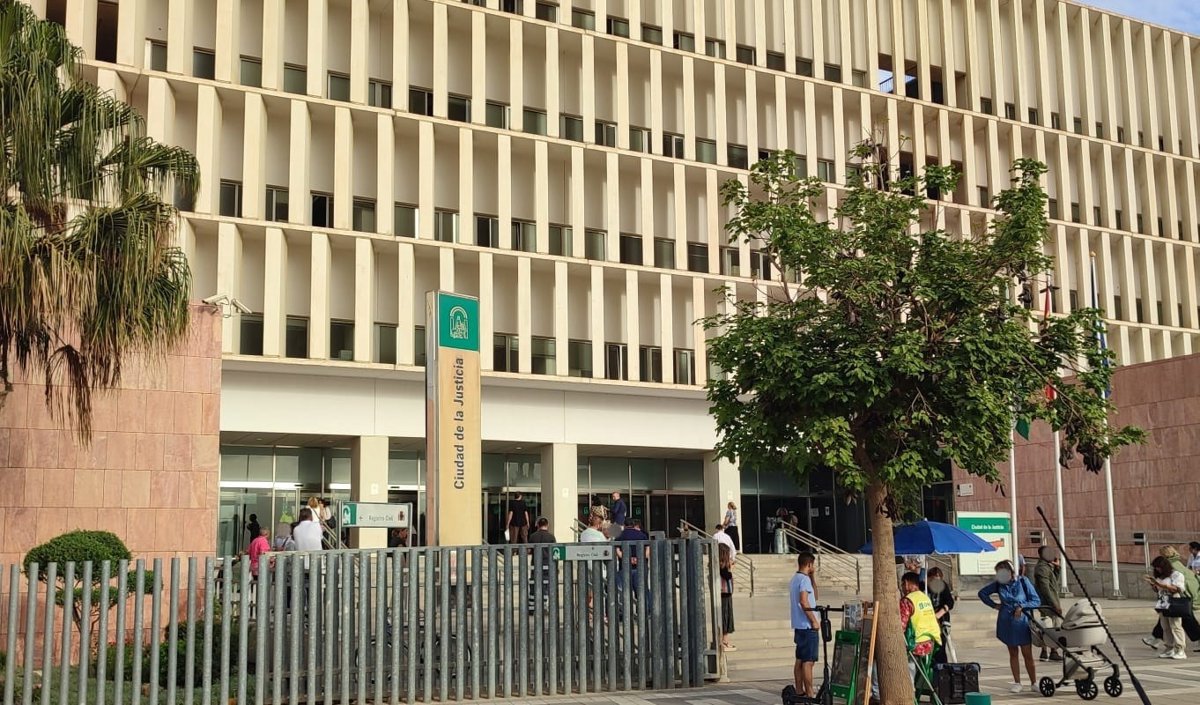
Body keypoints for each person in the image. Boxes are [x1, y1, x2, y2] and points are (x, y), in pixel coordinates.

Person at [978, 559, 1040, 693]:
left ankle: (1034, 682)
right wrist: (994, 605)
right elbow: (982, 593)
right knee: (1013, 652)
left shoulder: (1023, 582)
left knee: (1027, 653)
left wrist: (1022, 606)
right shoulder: (998, 585)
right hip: (1006, 621)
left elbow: (1036, 600)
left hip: (1022, 622)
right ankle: (1017, 682)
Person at [1144, 545, 1200, 651]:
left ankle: (1175, 646)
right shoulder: (1177, 562)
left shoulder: (1171, 566)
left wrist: (1159, 584)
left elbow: (1176, 586)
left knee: (1181, 622)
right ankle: (1158, 640)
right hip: (1176, 597)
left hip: (1179, 597)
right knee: (1170, 621)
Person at [1146, 555, 1188, 660]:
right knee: (1165, 626)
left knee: (1175, 625)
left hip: (1173, 601)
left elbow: (1177, 589)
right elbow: (1158, 590)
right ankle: (1169, 647)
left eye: (1159, 567)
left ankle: (1180, 649)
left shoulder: (1176, 575)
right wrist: (1154, 585)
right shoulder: (1160, 577)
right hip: (1163, 602)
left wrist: (1161, 585)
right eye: (1156, 568)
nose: (1158, 570)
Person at [900, 571, 942, 677]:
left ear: (906, 583)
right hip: (931, 643)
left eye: (902, 585)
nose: (902, 588)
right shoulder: (925, 597)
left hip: (915, 645)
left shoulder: (907, 601)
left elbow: (901, 626)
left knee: (909, 673)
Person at [790, 552, 819, 699]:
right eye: (813, 565)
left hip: (799, 625)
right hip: (807, 626)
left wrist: (812, 577)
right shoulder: (804, 580)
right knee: (808, 661)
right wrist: (813, 620)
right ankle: (810, 693)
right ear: (809, 564)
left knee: (800, 659)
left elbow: (815, 596)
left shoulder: (795, 579)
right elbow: (804, 600)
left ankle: (799, 690)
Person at [1033, 546, 1064, 662]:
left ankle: (1047, 651)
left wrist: (1057, 568)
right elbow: (1045, 589)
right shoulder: (1042, 568)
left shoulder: (1047, 567)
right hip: (1047, 603)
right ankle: (1050, 651)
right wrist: (1054, 604)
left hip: (1050, 602)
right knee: (1049, 627)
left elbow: (1054, 583)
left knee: (1049, 626)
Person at [926, 566, 956, 665]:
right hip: (927, 618)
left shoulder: (943, 586)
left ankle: (942, 667)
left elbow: (950, 602)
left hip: (940, 618)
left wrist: (940, 613)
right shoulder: (924, 587)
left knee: (940, 646)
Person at [527, 517, 557, 612]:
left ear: (538, 525)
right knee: (545, 584)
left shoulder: (533, 536)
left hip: (535, 564)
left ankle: (531, 606)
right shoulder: (551, 537)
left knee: (533, 584)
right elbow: (554, 552)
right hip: (547, 564)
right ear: (547, 525)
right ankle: (544, 606)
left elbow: (529, 550)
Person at [719, 543, 736, 651]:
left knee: (725, 616)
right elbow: (727, 576)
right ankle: (724, 641)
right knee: (725, 617)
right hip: (724, 593)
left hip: (725, 593)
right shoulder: (722, 565)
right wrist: (731, 568)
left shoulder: (721, 564)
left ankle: (724, 641)